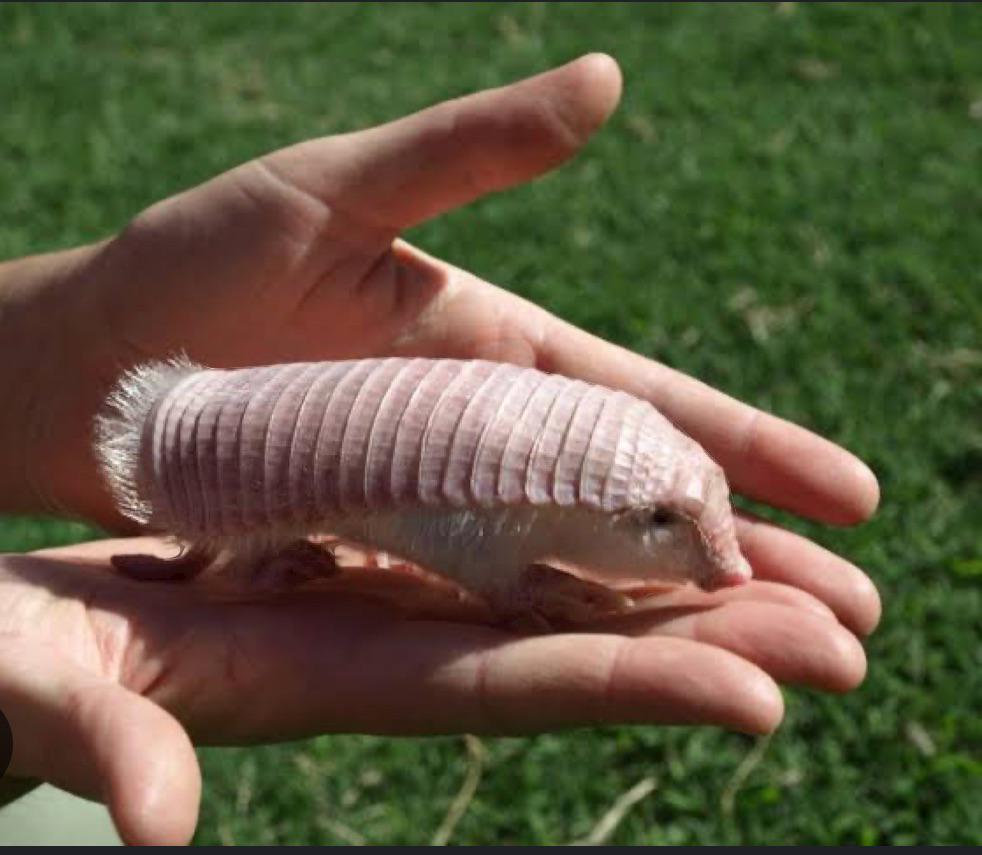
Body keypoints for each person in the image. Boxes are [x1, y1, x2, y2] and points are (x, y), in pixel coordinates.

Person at [0, 54, 880, 845]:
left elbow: (441, 516)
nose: (715, 565)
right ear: (583, 486)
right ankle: (257, 552)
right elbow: (445, 532)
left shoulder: (542, 476)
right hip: (230, 451)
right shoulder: (508, 488)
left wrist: (46, 349)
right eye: (667, 524)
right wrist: (516, 584)